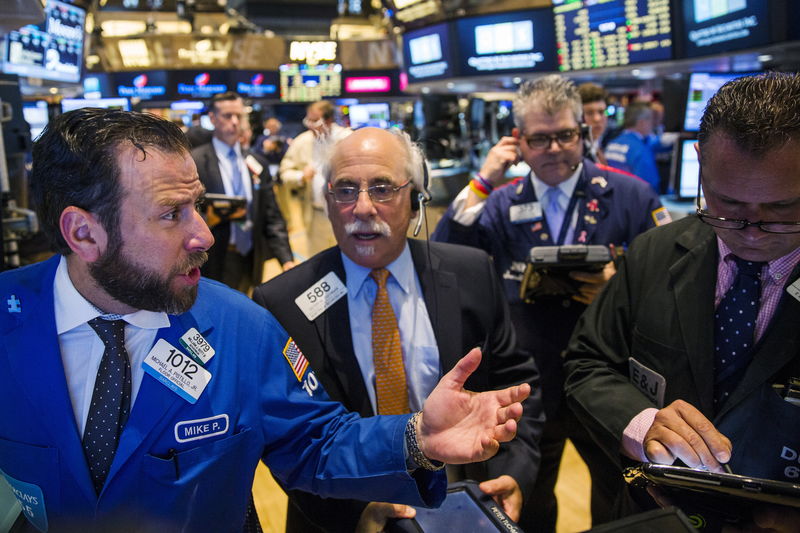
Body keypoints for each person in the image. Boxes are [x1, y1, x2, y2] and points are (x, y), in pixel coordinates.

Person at [0, 108, 530, 532]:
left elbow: (315, 443)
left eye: (197, 206)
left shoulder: (241, 326)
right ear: (84, 233)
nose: (204, 235)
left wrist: (417, 437)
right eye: (170, 214)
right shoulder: (8, 322)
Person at [252, 127, 545, 533]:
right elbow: (285, 438)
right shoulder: (282, 303)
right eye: (347, 190)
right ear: (328, 200)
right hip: (341, 515)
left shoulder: (471, 272)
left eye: (383, 188)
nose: (364, 208)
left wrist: (514, 473)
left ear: (415, 200)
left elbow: (516, 383)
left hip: (463, 506)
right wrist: (354, 517)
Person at [563, 72, 800, 532]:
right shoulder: (654, 252)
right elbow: (587, 361)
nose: (750, 230)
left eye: (781, 209)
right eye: (727, 203)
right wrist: (641, 423)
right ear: (700, 164)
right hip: (656, 515)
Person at [431, 74, 667, 532]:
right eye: (540, 138)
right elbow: (445, 258)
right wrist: (482, 181)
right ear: (519, 141)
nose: (554, 148)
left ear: (585, 131)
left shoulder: (630, 195)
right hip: (527, 384)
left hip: (608, 380)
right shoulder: (498, 204)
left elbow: (666, 289)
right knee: (528, 502)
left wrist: (619, 290)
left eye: (565, 135)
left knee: (617, 500)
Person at [191, 92, 295, 294]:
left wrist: (286, 259)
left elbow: (271, 214)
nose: (235, 122)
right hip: (213, 258)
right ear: (212, 118)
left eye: (239, 116)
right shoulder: (195, 162)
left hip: (251, 256)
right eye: (228, 116)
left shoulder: (256, 162)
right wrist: (206, 219)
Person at [279, 100, 351, 256]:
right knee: (319, 262)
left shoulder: (347, 139)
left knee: (349, 258)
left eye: (315, 120)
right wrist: (300, 176)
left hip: (347, 214)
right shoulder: (302, 141)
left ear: (329, 120)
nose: (310, 125)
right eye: (308, 120)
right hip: (316, 215)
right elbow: (284, 172)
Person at [604, 101, 661, 193]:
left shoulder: (612, 143)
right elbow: (650, 185)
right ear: (642, 123)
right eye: (650, 120)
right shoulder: (640, 150)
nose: (652, 124)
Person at [577, 82, 609, 164]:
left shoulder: (598, 146)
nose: (597, 119)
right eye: (589, 113)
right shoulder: (576, 155)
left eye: (601, 112)